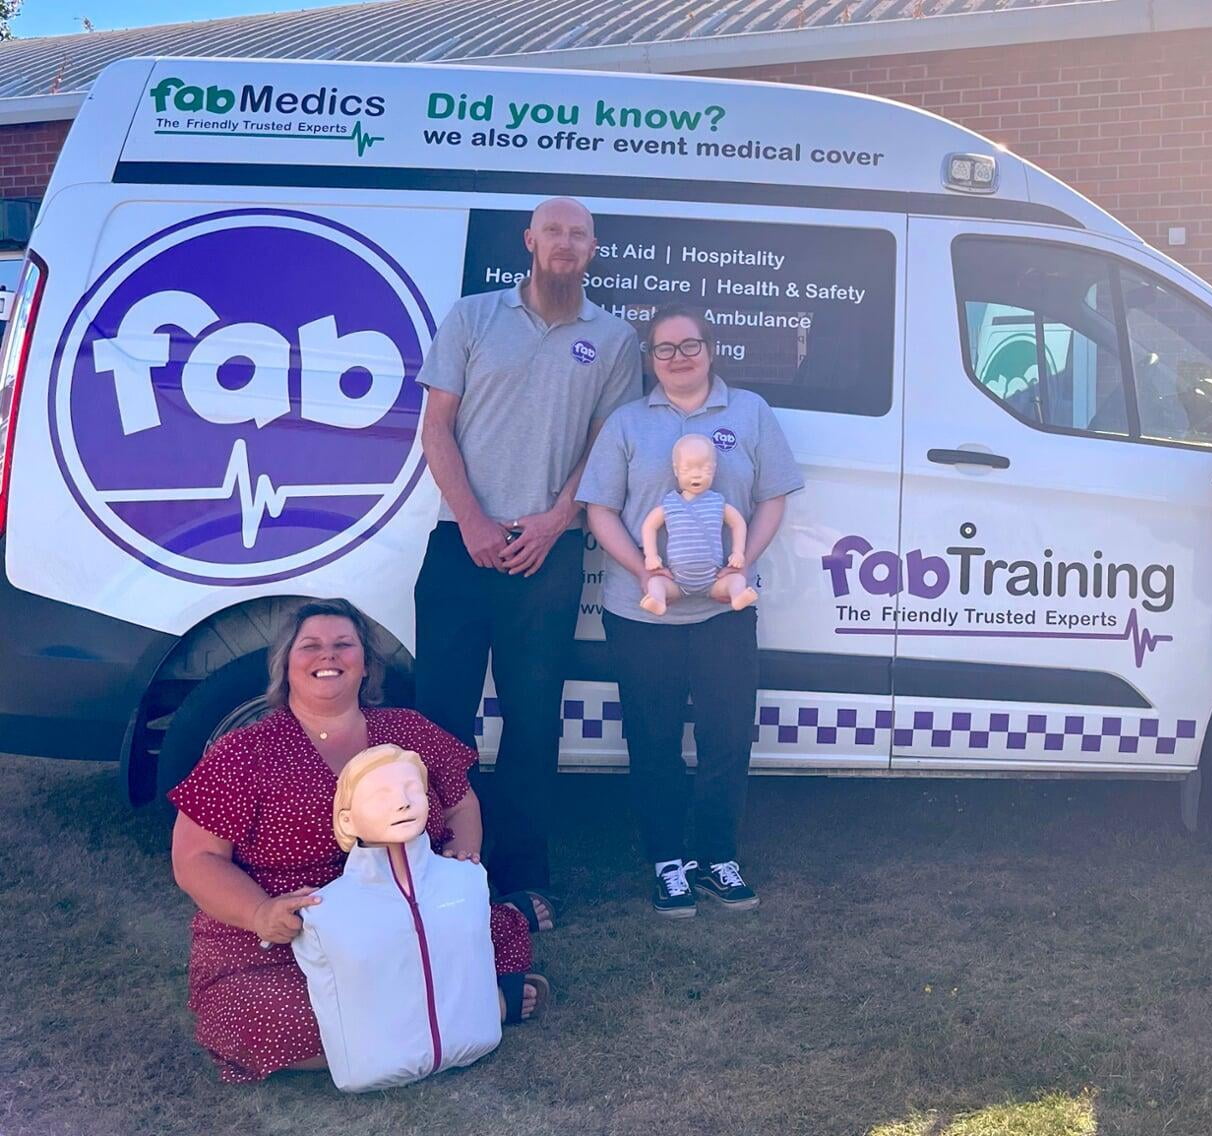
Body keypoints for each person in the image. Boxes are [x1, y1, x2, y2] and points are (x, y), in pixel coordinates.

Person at [168, 599, 543, 1083]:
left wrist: (462, 858)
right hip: (291, 936)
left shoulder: (407, 731)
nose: (329, 656)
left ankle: (414, 1021)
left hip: (408, 920)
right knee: (251, 1015)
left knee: (497, 933)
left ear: (366, 664)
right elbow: (195, 859)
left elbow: (461, 803)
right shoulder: (244, 751)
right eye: (312, 646)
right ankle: (477, 1007)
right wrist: (262, 912)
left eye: (344, 645)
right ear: (285, 664)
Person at [414, 197, 640, 926]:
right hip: (460, 542)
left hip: (548, 550)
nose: (566, 243)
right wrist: (475, 522)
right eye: (555, 232)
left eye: (579, 234)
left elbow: (606, 447)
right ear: (530, 241)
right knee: (441, 714)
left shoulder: (614, 337)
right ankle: (432, 868)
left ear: (592, 248)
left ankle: (521, 878)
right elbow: (436, 427)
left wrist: (555, 521)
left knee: (535, 718)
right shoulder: (474, 316)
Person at [577, 305, 805, 918]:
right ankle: (668, 862)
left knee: (727, 737)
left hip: (725, 614)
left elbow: (772, 498)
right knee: (652, 741)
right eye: (664, 348)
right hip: (642, 613)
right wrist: (646, 570)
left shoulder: (750, 412)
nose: (678, 357)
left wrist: (740, 565)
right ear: (649, 359)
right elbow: (599, 509)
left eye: (690, 344)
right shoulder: (627, 423)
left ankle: (717, 856)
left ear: (711, 348)